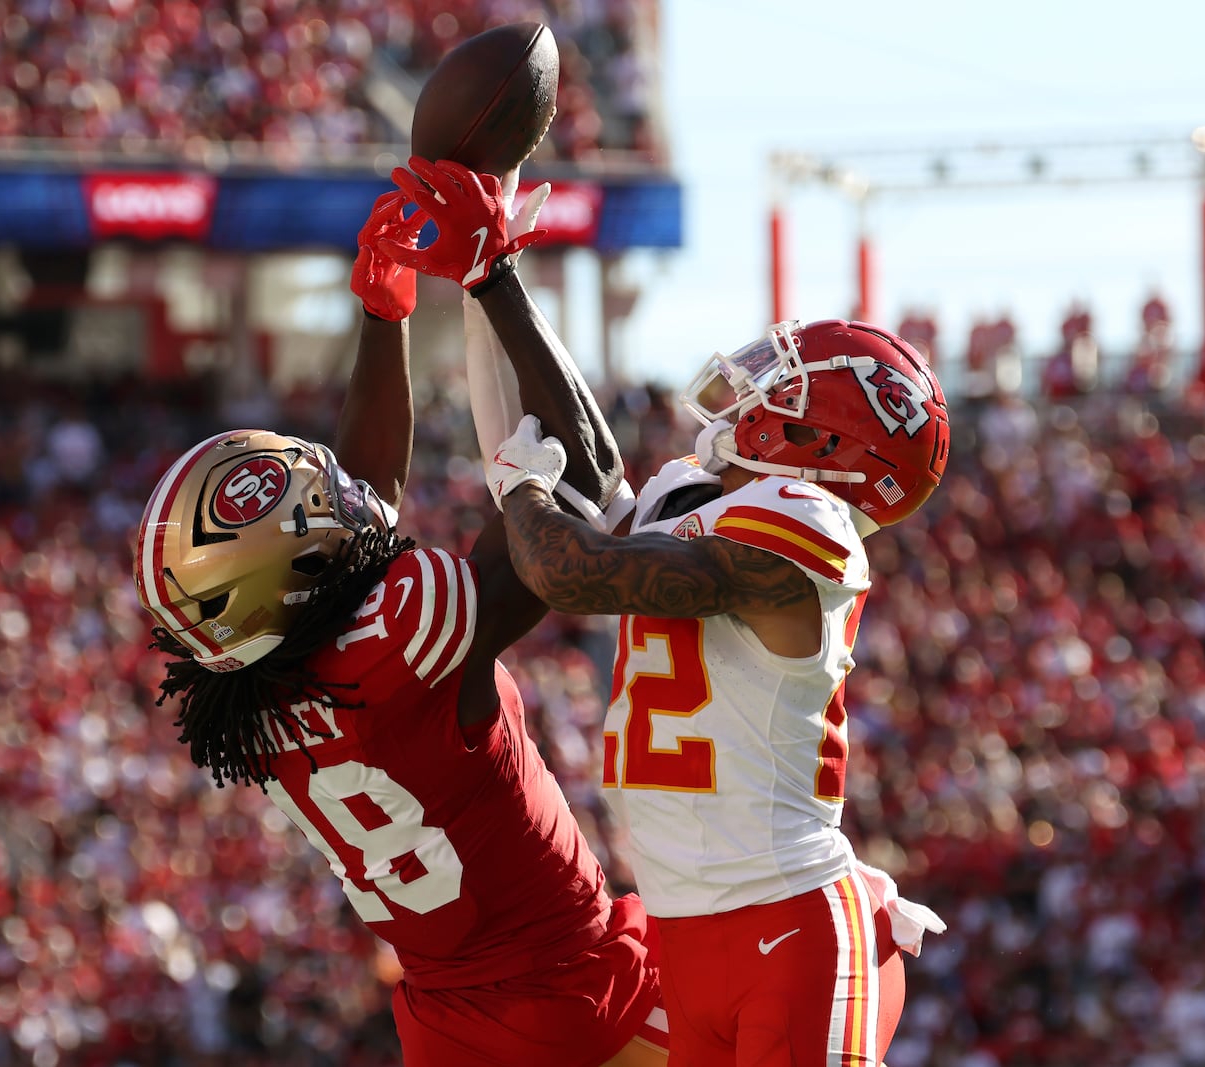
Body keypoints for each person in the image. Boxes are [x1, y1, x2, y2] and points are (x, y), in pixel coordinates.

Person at [380, 166, 946, 1066]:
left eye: (790, 380)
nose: (761, 379)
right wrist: (491, 280)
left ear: (829, 442)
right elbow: (576, 458)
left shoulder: (809, 527)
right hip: (690, 932)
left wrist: (520, 488)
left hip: (794, 928)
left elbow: (573, 566)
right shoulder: (696, 494)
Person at [133, 185, 665, 1067]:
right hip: (575, 998)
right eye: (317, 504)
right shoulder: (400, 643)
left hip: (448, 1029)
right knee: (850, 951)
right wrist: (492, 276)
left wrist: (384, 316)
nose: (341, 493)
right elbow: (590, 490)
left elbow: (364, 510)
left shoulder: (246, 699)